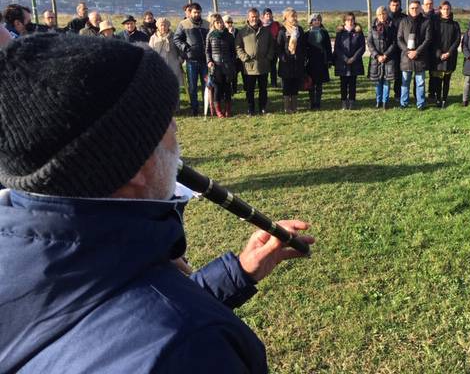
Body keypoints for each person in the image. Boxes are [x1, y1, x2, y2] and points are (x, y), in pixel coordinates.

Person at [0, 34, 314, 373]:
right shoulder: (191, 348)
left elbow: (113, 322)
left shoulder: (21, 255)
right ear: (135, 164)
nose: (176, 128)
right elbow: (151, 329)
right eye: (166, 123)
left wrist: (238, 271)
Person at [236, 7, 274, 116]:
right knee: (250, 90)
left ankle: (263, 107)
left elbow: (272, 45)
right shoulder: (242, 32)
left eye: (256, 16)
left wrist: (269, 57)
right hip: (249, 66)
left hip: (263, 65)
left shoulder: (266, 31)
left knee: (263, 89)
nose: (255, 19)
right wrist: (244, 57)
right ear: (248, 17)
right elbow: (238, 47)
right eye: (252, 17)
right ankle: (250, 109)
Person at [174, 3, 210, 116]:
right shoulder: (183, 24)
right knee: (193, 87)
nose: (197, 14)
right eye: (195, 12)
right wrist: (185, 48)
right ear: (190, 12)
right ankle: (194, 108)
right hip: (191, 61)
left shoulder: (207, 24)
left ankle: (206, 107)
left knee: (206, 86)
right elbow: (176, 39)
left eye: (199, 12)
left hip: (205, 61)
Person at [397, 0, 432, 110]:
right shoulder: (403, 21)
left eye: (416, 8)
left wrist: (417, 51)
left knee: (420, 82)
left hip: (420, 57)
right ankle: (404, 103)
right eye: (412, 8)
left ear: (420, 9)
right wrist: (408, 51)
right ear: (408, 9)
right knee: (405, 82)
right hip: (406, 57)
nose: (414, 10)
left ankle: (420, 103)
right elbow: (399, 38)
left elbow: (428, 39)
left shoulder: (426, 22)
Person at [431, 0, 461, 109]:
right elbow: (433, 40)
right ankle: (438, 98)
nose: (446, 11)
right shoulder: (436, 24)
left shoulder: (455, 24)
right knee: (438, 80)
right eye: (444, 9)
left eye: (448, 9)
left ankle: (444, 99)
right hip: (438, 57)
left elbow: (457, 40)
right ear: (440, 10)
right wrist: (440, 54)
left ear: (450, 10)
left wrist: (449, 52)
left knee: (447, 80)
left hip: (450, 56)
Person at [206, 14, 236, 118]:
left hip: (227, 65)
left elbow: (233, 51)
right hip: (216, 65)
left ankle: (228, 109)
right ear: (213, 24)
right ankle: (218, 111)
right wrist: (209, 61)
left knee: (227, 88)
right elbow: (207, 51)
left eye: (221, 22)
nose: (220, 24)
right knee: (217, 89)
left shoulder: (229, 36)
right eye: (217, 22)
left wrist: (231, 62)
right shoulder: (210, 35)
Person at [276, 8, 306, 113]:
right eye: (292, 16)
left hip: (297, 62)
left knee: (295, 85)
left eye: (295, 15)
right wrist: (283, 58)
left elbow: (303, 45)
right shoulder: (282, 30)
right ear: (286, 18)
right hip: (286, 63)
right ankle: (287, 107)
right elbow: (278, 47)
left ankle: (294, 106)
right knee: (286, 86)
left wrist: (301, 57)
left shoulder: (299, 30)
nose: (294, 18)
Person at [333, 12, 365, 110]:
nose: (350, 22)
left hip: (355, 63)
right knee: (343, 84)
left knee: (352, 84)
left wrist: (353, 58)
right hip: (342, 63)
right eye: (348, 20)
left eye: (352, 20)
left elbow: (362, 47)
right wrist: (345, 59)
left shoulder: (359, 32)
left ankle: (351, 102)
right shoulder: (340, 33)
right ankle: (343, 102)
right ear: (344, 21)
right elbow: (337, 48)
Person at [367, 6, 397, 109]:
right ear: (377, 15)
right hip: (376, 59)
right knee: (377, 81)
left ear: (387, 14)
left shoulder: (392, 26)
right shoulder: (372, 27)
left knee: (386, 81)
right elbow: (370, 43)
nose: (382, 16)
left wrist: (385, 55)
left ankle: (385, 101)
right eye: (379, 14)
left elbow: (394, 42)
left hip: (388, 58)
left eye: (383, 14)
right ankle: (378, 101)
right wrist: (377, 55)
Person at [305, 13, 332, 110]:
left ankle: (318, 103)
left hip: (321, 61)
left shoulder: (324, 32)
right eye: (314, 20)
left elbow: (328, 47)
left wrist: (329, 60)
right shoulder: (307, 33)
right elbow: (304, 49)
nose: (316, 21)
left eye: (318, 20)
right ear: (311, 22)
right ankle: (312, 103)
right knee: (311, 83)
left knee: (319, 84)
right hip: (310, 62)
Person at [149, 17, 183, 90]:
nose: (163, 27)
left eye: (165, 25)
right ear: (158, 26)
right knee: (159, 84)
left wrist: (180, 59)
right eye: (161, 25)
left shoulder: (174, 37)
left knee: (173, 84)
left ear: (168, 26)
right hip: (159, 64)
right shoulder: (153, 38)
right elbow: (150, 52)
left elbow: (179, 49)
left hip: (173, 64)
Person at [387, 0, 406, 101]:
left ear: (400, 5)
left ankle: (398, 94)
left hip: (401, 50)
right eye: (393, 5)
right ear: (389, 5)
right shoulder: (386, 18)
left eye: (397, 5)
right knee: (388, 73)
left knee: (400, 73)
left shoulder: (404, 18)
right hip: (388, 50)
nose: (395, 7)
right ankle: (385, 95)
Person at [423, 0, 440, 105]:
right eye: (427, 4)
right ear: (423, 6)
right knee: (420, 74)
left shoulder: (437, 17)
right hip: (423, 50)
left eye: (430, 3)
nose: (429, 5)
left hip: (434, 50)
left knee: (433, 74)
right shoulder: (420, 16)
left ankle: (432, 94)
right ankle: (418, 95)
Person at [224, 14, 244, 94]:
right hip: (229, 57)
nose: (229, 24)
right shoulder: (223, 32)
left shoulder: (237, 31)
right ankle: (231, 90)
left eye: (231, 22)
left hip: (238, 56)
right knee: (232, 74)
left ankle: (237, 89)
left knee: (240, 73)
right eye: (227, 22)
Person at [262, 8, 281, 88]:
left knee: (273, 67)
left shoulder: (276, 24)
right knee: (265, 67)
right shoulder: (261, 25)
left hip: (274, 49)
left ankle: (274, 83)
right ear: (263, 16)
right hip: (264, 49)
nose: (268, 16)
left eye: (269, 14)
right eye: (266, 14)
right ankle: (264, 83)